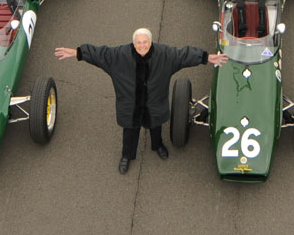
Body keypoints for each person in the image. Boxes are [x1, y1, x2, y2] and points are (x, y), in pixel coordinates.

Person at [54, 29, 226, 173]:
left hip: (155, 105)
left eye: (145, 42)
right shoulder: (118, 56)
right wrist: (77, 53)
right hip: (130, 108)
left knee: (156, 128)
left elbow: (183, 55)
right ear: (133, 43)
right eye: (138, 42)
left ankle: (157, 145)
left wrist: (206, 58)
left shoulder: (165, 55)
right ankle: (127, 156)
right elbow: (98, 54)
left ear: (151, 42)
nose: (142, 45)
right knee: (130, 132)